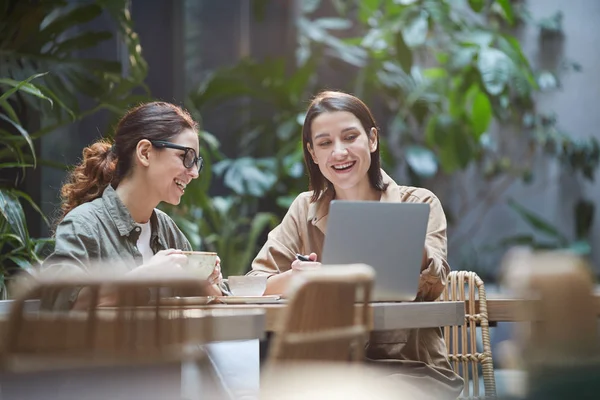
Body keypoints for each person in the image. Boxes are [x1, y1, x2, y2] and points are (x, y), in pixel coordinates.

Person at [249, 91, 463, 398]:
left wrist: (403, 237)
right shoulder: (303, 209)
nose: (339, 152)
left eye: (350, 137)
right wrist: (300, 279)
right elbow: (257, 284)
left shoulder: (418, 203)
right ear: (312, 153)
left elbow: (435, 281)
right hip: (326, 375)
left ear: (372, 140)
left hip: (410, 372)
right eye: (324, 143)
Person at [42, 101, 224, 310]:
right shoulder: (84, 224)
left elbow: (214, 302)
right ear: (145, 152)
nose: (194, 172)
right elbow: (60, 304)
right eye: (186, 157)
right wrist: (142, 278)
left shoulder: (167, 229)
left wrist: (206, 285)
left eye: (196, 162)